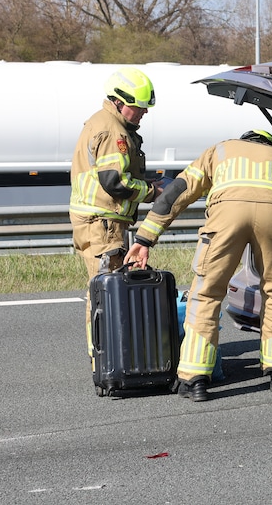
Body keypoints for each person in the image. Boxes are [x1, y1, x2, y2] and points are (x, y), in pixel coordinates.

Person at [125, 130, 272, 402]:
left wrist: (144, 238)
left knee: (206, 294)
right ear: (270, 145)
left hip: (225, 219)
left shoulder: (220, 151)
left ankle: (195, 378)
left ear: (244, 141)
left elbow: (177, 193)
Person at [70, 67, 164, 366]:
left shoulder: (102, 122)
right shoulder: (113, 130)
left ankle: (104, 350)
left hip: (101, 221)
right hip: (103, 223)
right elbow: (116, 182)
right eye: (139, 107)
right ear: (120, 100)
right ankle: (102, 353)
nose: (143, 114)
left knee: (104, 287)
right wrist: (152, 192)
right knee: (105, 290)